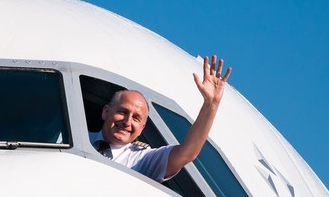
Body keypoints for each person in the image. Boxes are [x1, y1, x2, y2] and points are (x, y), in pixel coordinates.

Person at [90, 55, 231, 182]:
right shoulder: (77, 138)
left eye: (136, 118)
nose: (127, 122)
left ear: (141, 129)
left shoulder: (143, 160)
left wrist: (211, 104)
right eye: (123, 112)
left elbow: (187, 153)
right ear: (106, 112)